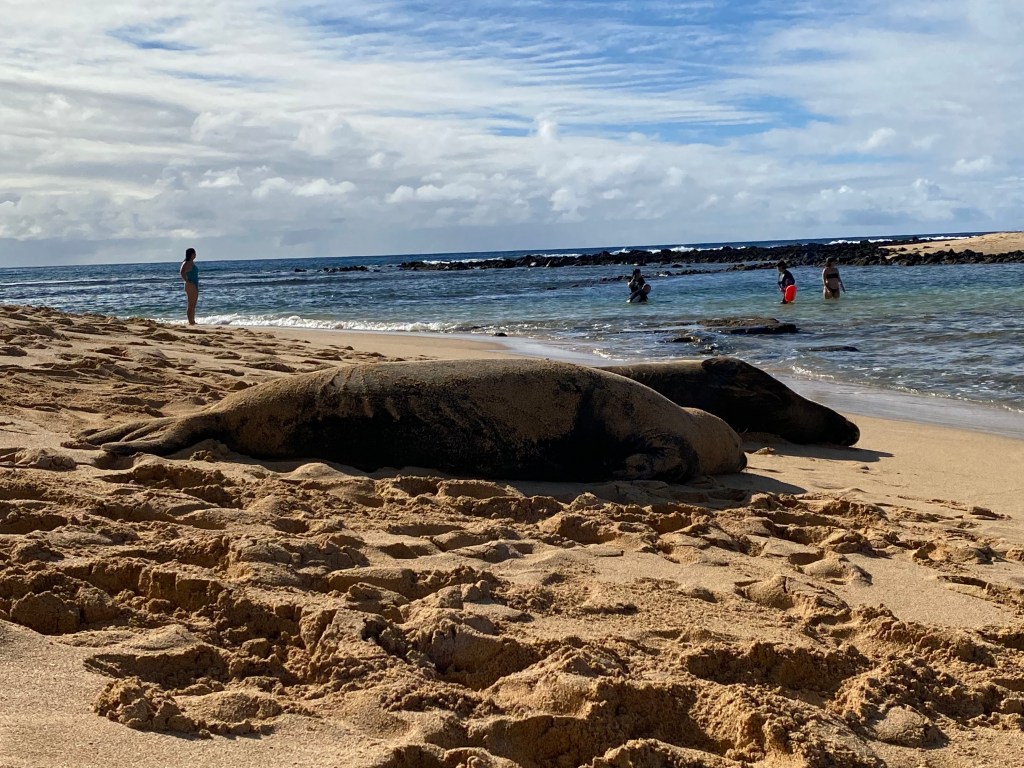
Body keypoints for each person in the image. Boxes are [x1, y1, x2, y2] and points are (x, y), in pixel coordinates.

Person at [180, 247, 199, 324]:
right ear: (192, 254)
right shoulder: (186, 262)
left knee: (193, 304)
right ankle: (190, 321)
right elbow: (182, 272)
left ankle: (193, 320)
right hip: (190, 285)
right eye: (194, 253)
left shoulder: (191, 262)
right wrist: (186, 281)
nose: (195, 255)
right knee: (190, 304)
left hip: (194, 284)